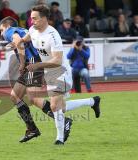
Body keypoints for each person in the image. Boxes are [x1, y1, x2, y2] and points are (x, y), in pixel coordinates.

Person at [18, 5, 101, 145]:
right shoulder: (33, 29)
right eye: (31, 18)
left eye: (35, 18)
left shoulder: (53, 35)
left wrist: (37, 65)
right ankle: (93, 101)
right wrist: (17, 42)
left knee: (54, 105)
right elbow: (25, 39)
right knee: (60, 108)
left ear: (44, 19)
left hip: (60, 70)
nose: (32, 21)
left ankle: (59, 139)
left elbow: (56, 60)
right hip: (49, 71)